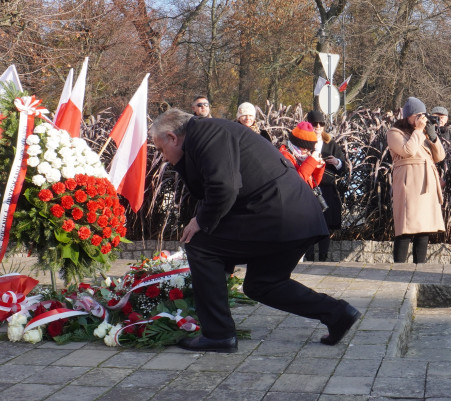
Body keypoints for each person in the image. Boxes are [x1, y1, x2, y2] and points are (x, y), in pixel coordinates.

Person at [149, 109, 360, 353]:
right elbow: (211, 189)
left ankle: (218, 335)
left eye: (161, 149)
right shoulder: (208, 133)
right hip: (295, 214)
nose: (162, 157)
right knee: (263, 284)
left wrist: (201, 222)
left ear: (172, 137)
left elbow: (223, 187)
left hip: (280, 213)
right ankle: (338, 314)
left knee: (200, 244)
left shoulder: (206, 134)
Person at [387, 97, 446, 263]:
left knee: (424, 230)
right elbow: (408, 151)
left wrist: (433, 137)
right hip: (409, 185)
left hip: (426, 186)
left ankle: (420, 268)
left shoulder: (424, 133)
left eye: (423, 114)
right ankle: (399, 269)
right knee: (405, 229)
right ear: (408, 116)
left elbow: (440, 156)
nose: (422, 118)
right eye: (418, 115)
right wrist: (419, 131)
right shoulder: (394, 133)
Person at [304, 109, 349, 262]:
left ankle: (323, 257)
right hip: (308, 188)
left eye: (321, 123)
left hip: (326, 189)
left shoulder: (330, 144)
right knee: (308, 224)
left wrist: (337, 162)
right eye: (314, 123)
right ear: (308, 124)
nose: (317, 126)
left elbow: (344, 169)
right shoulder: (303, 142)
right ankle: (309, 257)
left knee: (325, 225)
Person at [278, 121, 325, 189]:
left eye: (310, 149)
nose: (308, 152)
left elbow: (313, 184)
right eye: (307, 149)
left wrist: (317, 168)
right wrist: (311, 162)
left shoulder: (302, 157)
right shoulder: (285, 156)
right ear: (297, 145)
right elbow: (296, 184)